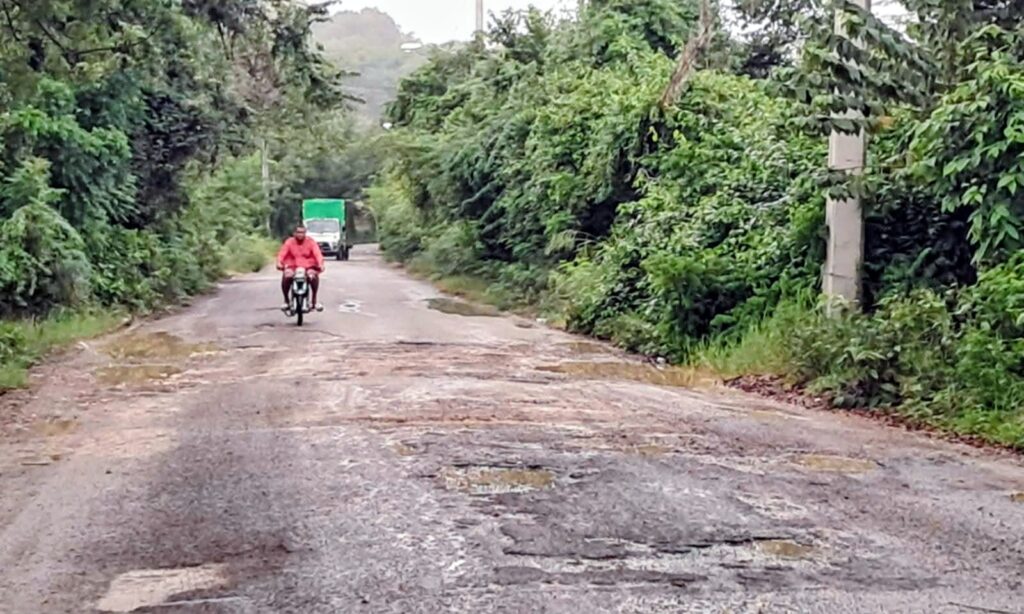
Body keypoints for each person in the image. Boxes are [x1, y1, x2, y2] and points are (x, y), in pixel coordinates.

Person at [277, 225, 325, 312]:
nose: (300, 234)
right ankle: (286, 300)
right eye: (298, 232)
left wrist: (320, 264)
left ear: (305, 233)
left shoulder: (310, 242)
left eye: (302, 232)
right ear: (294, 233)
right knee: (287, 276)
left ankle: (314, 301)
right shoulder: (289, 242)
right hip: (292, 266)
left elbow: (317, 253)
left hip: (308, 266)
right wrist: (279, 262)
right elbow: (282, 253)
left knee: (313, 276)